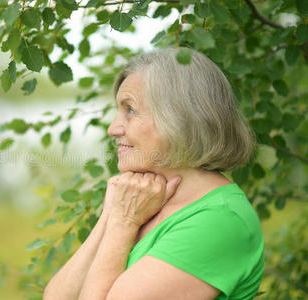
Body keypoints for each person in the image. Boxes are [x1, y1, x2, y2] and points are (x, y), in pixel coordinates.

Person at [43, 47, 264, 300]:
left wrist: (123, 223)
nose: (113, 128)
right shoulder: (138, 198)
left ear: (181, 117)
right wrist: (113, 212)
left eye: (131, 110)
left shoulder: (220, 221)